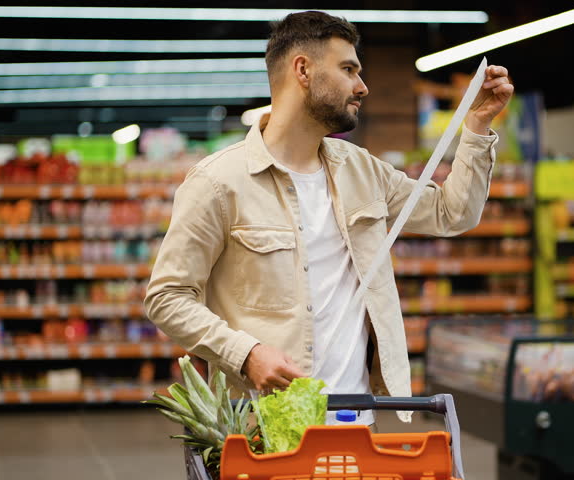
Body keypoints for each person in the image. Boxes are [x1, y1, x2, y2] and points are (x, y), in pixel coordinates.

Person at [144, 11, 513, 424]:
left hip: (355, 421)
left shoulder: (362, 170)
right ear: (303, 70)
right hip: (264, 429)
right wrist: (246, 355)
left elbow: (453, 212)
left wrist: (477, 127)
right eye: (348, 69)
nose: (363, 87)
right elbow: (167, 297)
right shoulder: (218, 182)